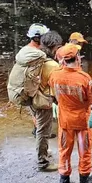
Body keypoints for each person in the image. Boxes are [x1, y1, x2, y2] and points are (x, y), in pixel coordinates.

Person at [49, 44, 92, 183]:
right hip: (83, 121)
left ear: (63, 60)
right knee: (84, 151)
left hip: (65, 121)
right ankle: (84, 182)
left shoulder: (55, 75)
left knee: (64, 150)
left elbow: (54, 96)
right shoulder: (84, 78)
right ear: (77, 57)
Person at [28, 30, 63, 172]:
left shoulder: (35, 57)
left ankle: (44, 152)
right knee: (43, 131)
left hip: (31, 97)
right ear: (54, 46)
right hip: (42, 101)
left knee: (40, 129)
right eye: (58, 46)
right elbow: (56, 87)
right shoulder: (52, 65)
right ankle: (43, 162)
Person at [25, 23, 50, 136]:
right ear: (37, 38)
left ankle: (37, 130)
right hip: (32, 89)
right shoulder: (36, 54)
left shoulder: (26, 50)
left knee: (34, 112)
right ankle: (39, 133)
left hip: (27, 88)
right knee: (38, 112)